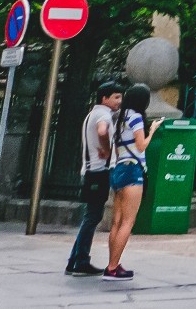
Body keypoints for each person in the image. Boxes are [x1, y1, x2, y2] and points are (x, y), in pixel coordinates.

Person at [65, 80, 123, 277]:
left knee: (91, 216)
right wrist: (107, 150)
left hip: (93, 170)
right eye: (116, 97)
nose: (119, 101)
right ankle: (81, 260)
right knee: (92, 217)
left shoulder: (94, 113)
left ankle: (74, 260)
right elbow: (102, 131)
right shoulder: (102, 114)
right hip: (98, 171)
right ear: (104, 98)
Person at [102, 82, 157, 281]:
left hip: (119, 169)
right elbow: (141, 146)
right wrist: (152, 131)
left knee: (116, 221)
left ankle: (112, 264)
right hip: (133, 170)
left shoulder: (119, 118)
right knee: (128, 221)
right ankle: (113, 267)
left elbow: (117, 148)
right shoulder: (135, 118)